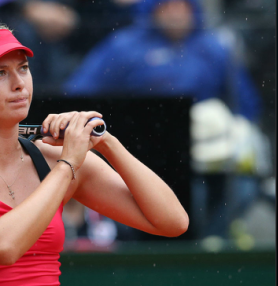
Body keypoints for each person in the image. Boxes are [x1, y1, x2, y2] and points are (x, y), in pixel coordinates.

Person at [0, 21, 189, 286]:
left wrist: (105, 142)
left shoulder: (53, 161)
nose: (18, 83)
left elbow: (173, 222)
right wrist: (68, 163)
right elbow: (3, 246)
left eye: (23, 68)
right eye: (0, 74)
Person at [62, 0, 266, 241]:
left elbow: (246, 105)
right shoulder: (124, 46)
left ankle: (210, 245)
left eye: (183, 5)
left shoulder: (215, 47)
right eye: (167, 5)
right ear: (152, 10)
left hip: (208, 154)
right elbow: (78, 93)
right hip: (141, 150)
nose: (176, 12)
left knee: (243, 187)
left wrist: (228, 127)